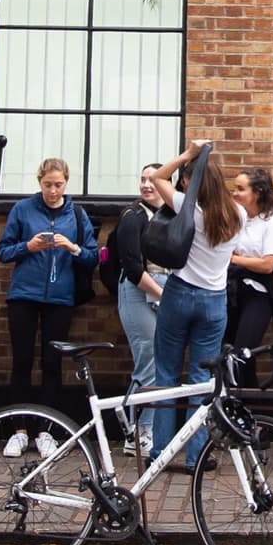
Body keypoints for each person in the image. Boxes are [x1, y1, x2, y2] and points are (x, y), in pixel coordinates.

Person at [146, 141, 245, 474]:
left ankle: (161, 452)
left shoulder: (189, 209)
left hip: (179, 293)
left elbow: (158, 178)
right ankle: (195, 457)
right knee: (202, 379)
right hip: (214, 301)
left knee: (167, 375)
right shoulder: (238, 214)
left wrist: (189, 155)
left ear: (191, 181)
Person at [0, 158, 97, 458]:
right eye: (47, 185)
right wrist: (28, 247)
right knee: (22, 361)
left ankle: (46, 431)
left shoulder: (77, 214)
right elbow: (3, 251)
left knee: (52, 364)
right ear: (39, 182)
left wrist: (72, 248)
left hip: (60, 298)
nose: (53, 191)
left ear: (67, 183)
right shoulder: (23, 209)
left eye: (58, 185)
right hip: (24, 295)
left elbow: (92, 256)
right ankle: (19, 431)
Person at [113, 164, 171, 455]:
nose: (147, 185)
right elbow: (133, 268)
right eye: (142, 180)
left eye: (153, 180)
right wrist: (163, 295)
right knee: (147, 359)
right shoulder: (132, 216)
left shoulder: (172, 214)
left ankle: (143, 426)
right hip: (138, 292)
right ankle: (137, 433)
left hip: (165, 289)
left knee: (160, 363)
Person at [225, 168, 273, 388]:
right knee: (231, 355)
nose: (234, 193)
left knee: (242, 354)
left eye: (240, 189)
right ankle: (246, 415)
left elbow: (268, 264)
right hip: (232, 291)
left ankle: (246, 413)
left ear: (258, 192)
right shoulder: (238, 219)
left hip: (257, 294)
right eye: (234, 188)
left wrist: (233, 259)